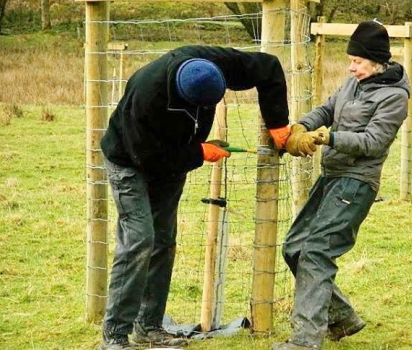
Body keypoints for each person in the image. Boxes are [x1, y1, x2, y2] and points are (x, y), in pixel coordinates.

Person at [99, 45, 291, 350]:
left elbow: (268, 68)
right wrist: (199, 152)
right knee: (139, 239)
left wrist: (278, 124)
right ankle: (115, 336)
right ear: (181, 94)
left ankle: (148, 327)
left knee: (163, 240)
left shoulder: (219, 63)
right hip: (129, 160)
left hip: (173, 158)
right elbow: (146, 155)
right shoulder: (148, 93)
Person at [272, 20, 410, 350]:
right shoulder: (352, 84)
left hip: (356, 183)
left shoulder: (394, 97)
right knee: (294, 247)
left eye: (357, 62)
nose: (351, 67)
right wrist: (302, 126)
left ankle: (305, 341)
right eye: (350, 61)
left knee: (317, 251)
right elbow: (328, 108)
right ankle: (343, 318)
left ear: (377, 62)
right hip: (332, 177)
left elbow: (374, 141)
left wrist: (328, 137)